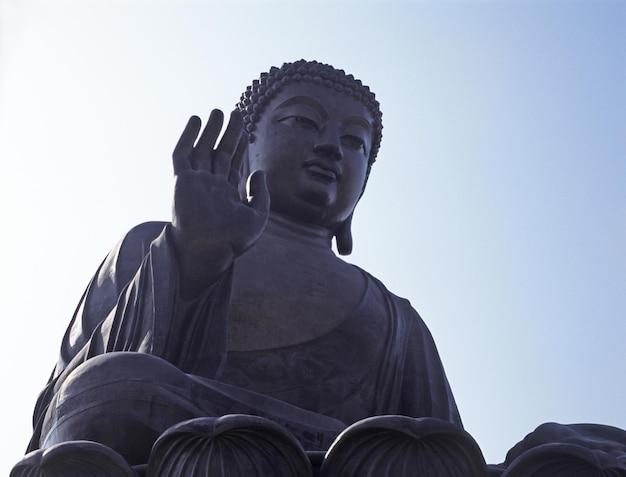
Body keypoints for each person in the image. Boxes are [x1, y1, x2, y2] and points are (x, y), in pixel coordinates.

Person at [24, 60, 461, 468]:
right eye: (303, 122)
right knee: (106, 386)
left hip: (339, 462)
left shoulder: (396, 319)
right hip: (180, 444)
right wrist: (193, 255)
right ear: (244, 149)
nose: (330, 147)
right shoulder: (153, 243)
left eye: (354, 142)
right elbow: (62, 408)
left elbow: (448, 449)